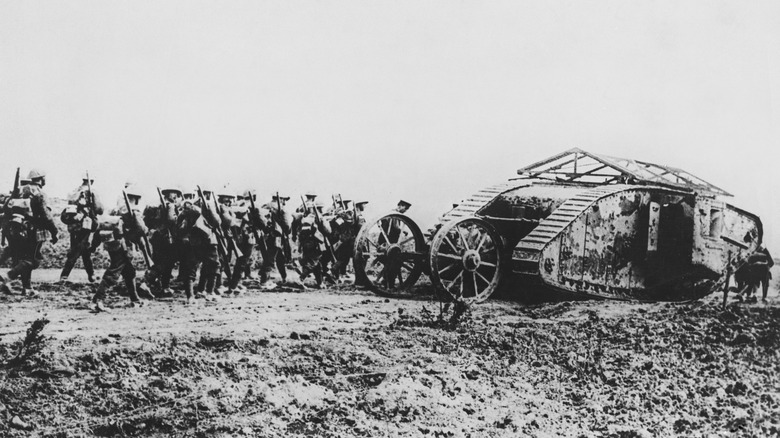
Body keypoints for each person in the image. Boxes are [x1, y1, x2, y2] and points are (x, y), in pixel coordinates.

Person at [90, 188, 154, 311]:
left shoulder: (116, 210)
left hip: (113, 244)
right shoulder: (134, 211)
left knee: (129, 272)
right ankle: (97, 300)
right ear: (136, 198)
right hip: (124, 247)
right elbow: (141, 229)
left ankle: (135, 300)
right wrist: (145, 229)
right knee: (113, 272)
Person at [0, 169, 58, 296]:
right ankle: (8, 276)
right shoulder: (39, 193)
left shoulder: (18, 191)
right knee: (34, 260)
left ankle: (27, 288)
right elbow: (46, 216)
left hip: (14, 229)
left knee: (24, 259)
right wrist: (54, 231)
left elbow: (6, 209)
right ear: (41, 179)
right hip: (32, 230)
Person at [59, 174, 104, 283]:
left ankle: (91, 275)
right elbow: (100, 209)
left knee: (84, 250)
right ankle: (64, 276)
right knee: (77, 249)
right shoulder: (91, 192)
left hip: (73, 224)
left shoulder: (75, 191)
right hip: (85, 225)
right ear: (91, 181)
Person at [143, 186, 182, 297]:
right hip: (165, 238)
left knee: (161, 262)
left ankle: (163, 287)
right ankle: (147, 282)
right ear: (168, 194)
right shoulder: (169, 205)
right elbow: (171, 220)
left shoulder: (158, 205)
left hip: (156, 236)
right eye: (174, 193)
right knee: (166, 263)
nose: (175, 196)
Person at [260, 193, 292, 289]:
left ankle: (283, 277)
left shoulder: (264, 206)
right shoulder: (281, 208)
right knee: (271, 258)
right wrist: (286, 232)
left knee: (279, 257)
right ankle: (264, 281)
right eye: (284, 199)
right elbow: (287, 224)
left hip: (265, 235)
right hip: (277, 235)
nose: (285, 202)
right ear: (280, 199)